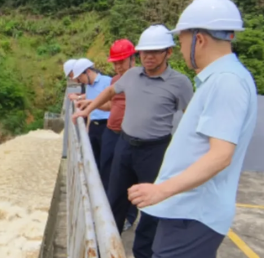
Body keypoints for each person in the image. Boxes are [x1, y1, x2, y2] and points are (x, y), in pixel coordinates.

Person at [128, 0, 257, 258]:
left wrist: (160, 190)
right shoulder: (220, 79)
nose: (182, 46)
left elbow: (220, 155)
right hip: (185, 209)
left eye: (183, 39)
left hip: (194, 213)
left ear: (199, 39)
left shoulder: (227, 82)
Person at [72, 25, 194, 258]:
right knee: (114, 197)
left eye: (155, 51)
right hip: (125, 146)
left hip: (155, 150)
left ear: (169, 52)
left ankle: (142, 253)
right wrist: (87, 108)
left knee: (151, 206)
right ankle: (105, 246)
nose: (148, 57)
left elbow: (191, 116)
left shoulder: (180, 83)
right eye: (144, 52)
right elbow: (109, 93)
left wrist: (186, 152)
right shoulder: (130, 75)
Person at [100, 39, 139, 232]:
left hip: (128, 136)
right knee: (108, 173)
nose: (117, 66)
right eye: (114, 63)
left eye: (121, 62)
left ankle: (129, 216)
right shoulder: (115, 81)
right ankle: (110, 214)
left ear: (133, 59)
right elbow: (111, 105)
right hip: (111, 131)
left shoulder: (142, 79)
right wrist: (89, 104)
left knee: (128, 179)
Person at [71, 58, 112, 166]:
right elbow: (91, 111)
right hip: (94, 126)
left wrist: (90, 103)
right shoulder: (88, 87)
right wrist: (88, 127)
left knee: (105, 161)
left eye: (81, 77)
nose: (81, 80)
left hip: (106, 125)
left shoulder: (107, 81)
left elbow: (112, 105)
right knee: (93, 159)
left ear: (88, 71)